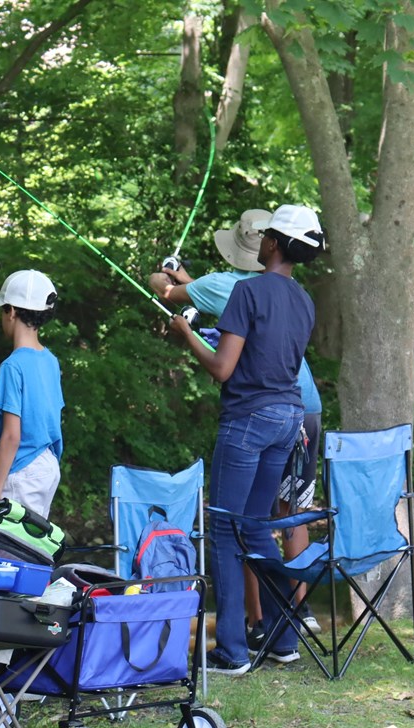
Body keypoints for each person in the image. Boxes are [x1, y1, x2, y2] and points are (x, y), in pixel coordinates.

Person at [149, 209, 325, 641]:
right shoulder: (303, 299)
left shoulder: (247, 292)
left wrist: (185, 335)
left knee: (227, 528)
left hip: (249, 420)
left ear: (272, 244)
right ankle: (283, 638)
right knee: (256, 526)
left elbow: (223, 369)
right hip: (290, 418)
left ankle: (232, 649)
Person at [0, 269, 64, 519]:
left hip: (23, 468)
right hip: (47, 464)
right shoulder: (50, 361)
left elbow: (12, 436)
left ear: (12, 312)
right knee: (31, 547)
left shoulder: (12, 366)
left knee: (10, 548)